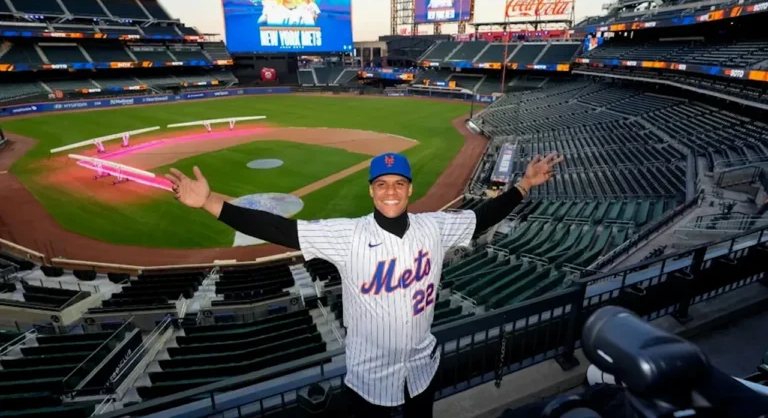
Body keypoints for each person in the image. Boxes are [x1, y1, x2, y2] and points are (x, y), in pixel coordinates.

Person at [166, 151, 564, 417]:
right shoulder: (347, 235)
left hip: (422, 370)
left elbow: (484, 216)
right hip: (368, 379)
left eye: (398, 183)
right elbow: (279, 228)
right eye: (381, 184)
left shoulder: (436, 226)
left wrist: (524, 184)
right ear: (371, 191)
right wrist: (210, 203)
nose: (390, 191)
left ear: (409, 189)